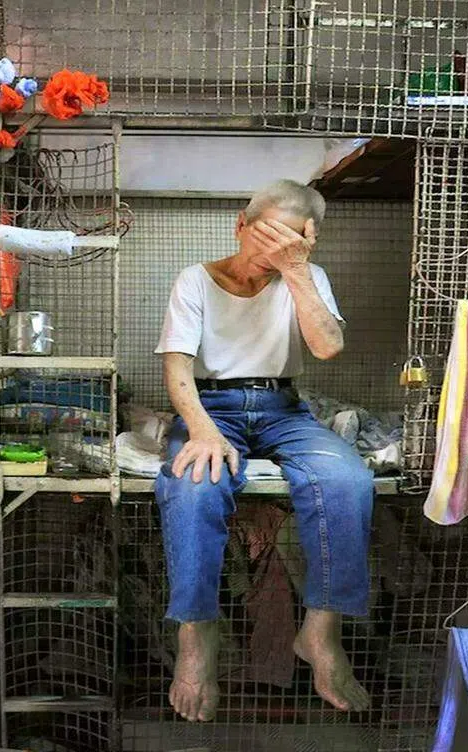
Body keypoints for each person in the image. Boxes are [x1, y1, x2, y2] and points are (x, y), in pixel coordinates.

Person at [153, 179, 375, 722]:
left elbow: (328, 347)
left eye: (288, 243)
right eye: (265, 238)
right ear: (240, 224)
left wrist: (297, 271)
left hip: (282, 408)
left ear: (306, 241)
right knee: (193, 485)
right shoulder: (195, 280)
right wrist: (203, 430)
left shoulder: (308, 277)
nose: (271, 254)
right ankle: (196, 633)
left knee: (348, 480)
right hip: (212, 406)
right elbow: (177, 366)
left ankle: (321, 632)